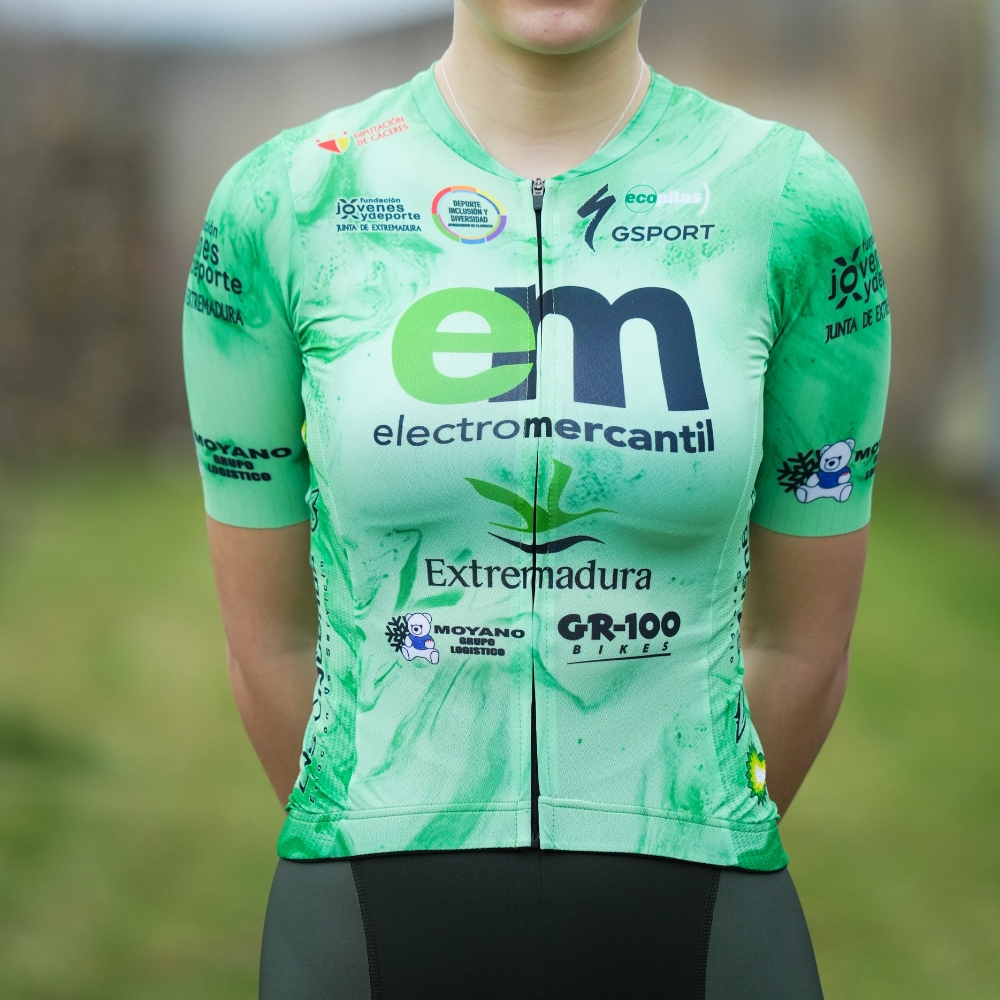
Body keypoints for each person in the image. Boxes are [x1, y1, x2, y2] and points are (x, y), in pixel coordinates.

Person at [183, 1, 890, 996]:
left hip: (704, 912)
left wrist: (677, 810)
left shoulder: (791, 200)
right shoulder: (284, 202)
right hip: (365, 915)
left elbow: (804, 645)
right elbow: (267, 643)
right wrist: (387, 806)